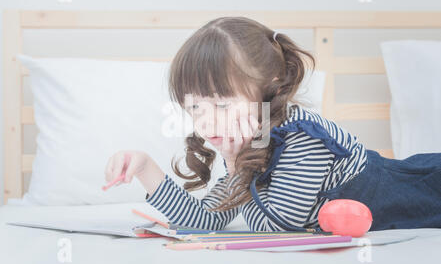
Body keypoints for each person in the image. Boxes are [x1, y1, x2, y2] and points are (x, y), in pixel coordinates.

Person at [104, 16, 441, 232]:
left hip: (426, 188)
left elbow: (276, 227)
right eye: (194, 107)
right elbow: (205, 221)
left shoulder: (302, 138)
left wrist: (237, 167)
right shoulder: (252, 142)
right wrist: (146, 169)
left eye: (222, 103)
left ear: (270, 87)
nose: (207, 121)